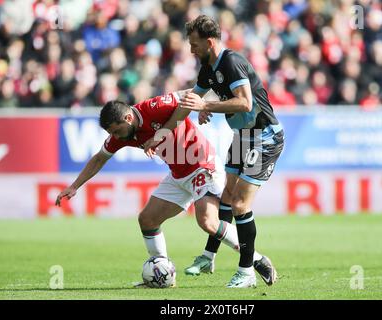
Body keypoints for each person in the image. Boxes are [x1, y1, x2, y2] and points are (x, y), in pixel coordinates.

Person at [54, 91, 267, 287]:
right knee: (147, 219)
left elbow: (191, 94)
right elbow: (99, 158)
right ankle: (162, 274)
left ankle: (256, 259)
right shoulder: (123, 135)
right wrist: (74, 187)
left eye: (117, 131)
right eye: (113, 134)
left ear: (128, 118)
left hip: (203, 165)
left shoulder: (154, 107)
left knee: (208, 222)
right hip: (178, 175)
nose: (117, 137)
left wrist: (204, 107)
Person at [145, 15, 284, 288]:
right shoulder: (207, 67)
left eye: (194, 44)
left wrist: (207, 107)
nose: (191, 50)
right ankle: (209, 256)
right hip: (242, 136)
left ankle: (247, 272)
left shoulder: (231, 62)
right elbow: (189, 103)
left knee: (241, 205)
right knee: (227, 197)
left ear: (209, 42)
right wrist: (163, 132)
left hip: (264, 138)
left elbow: (244, 103)